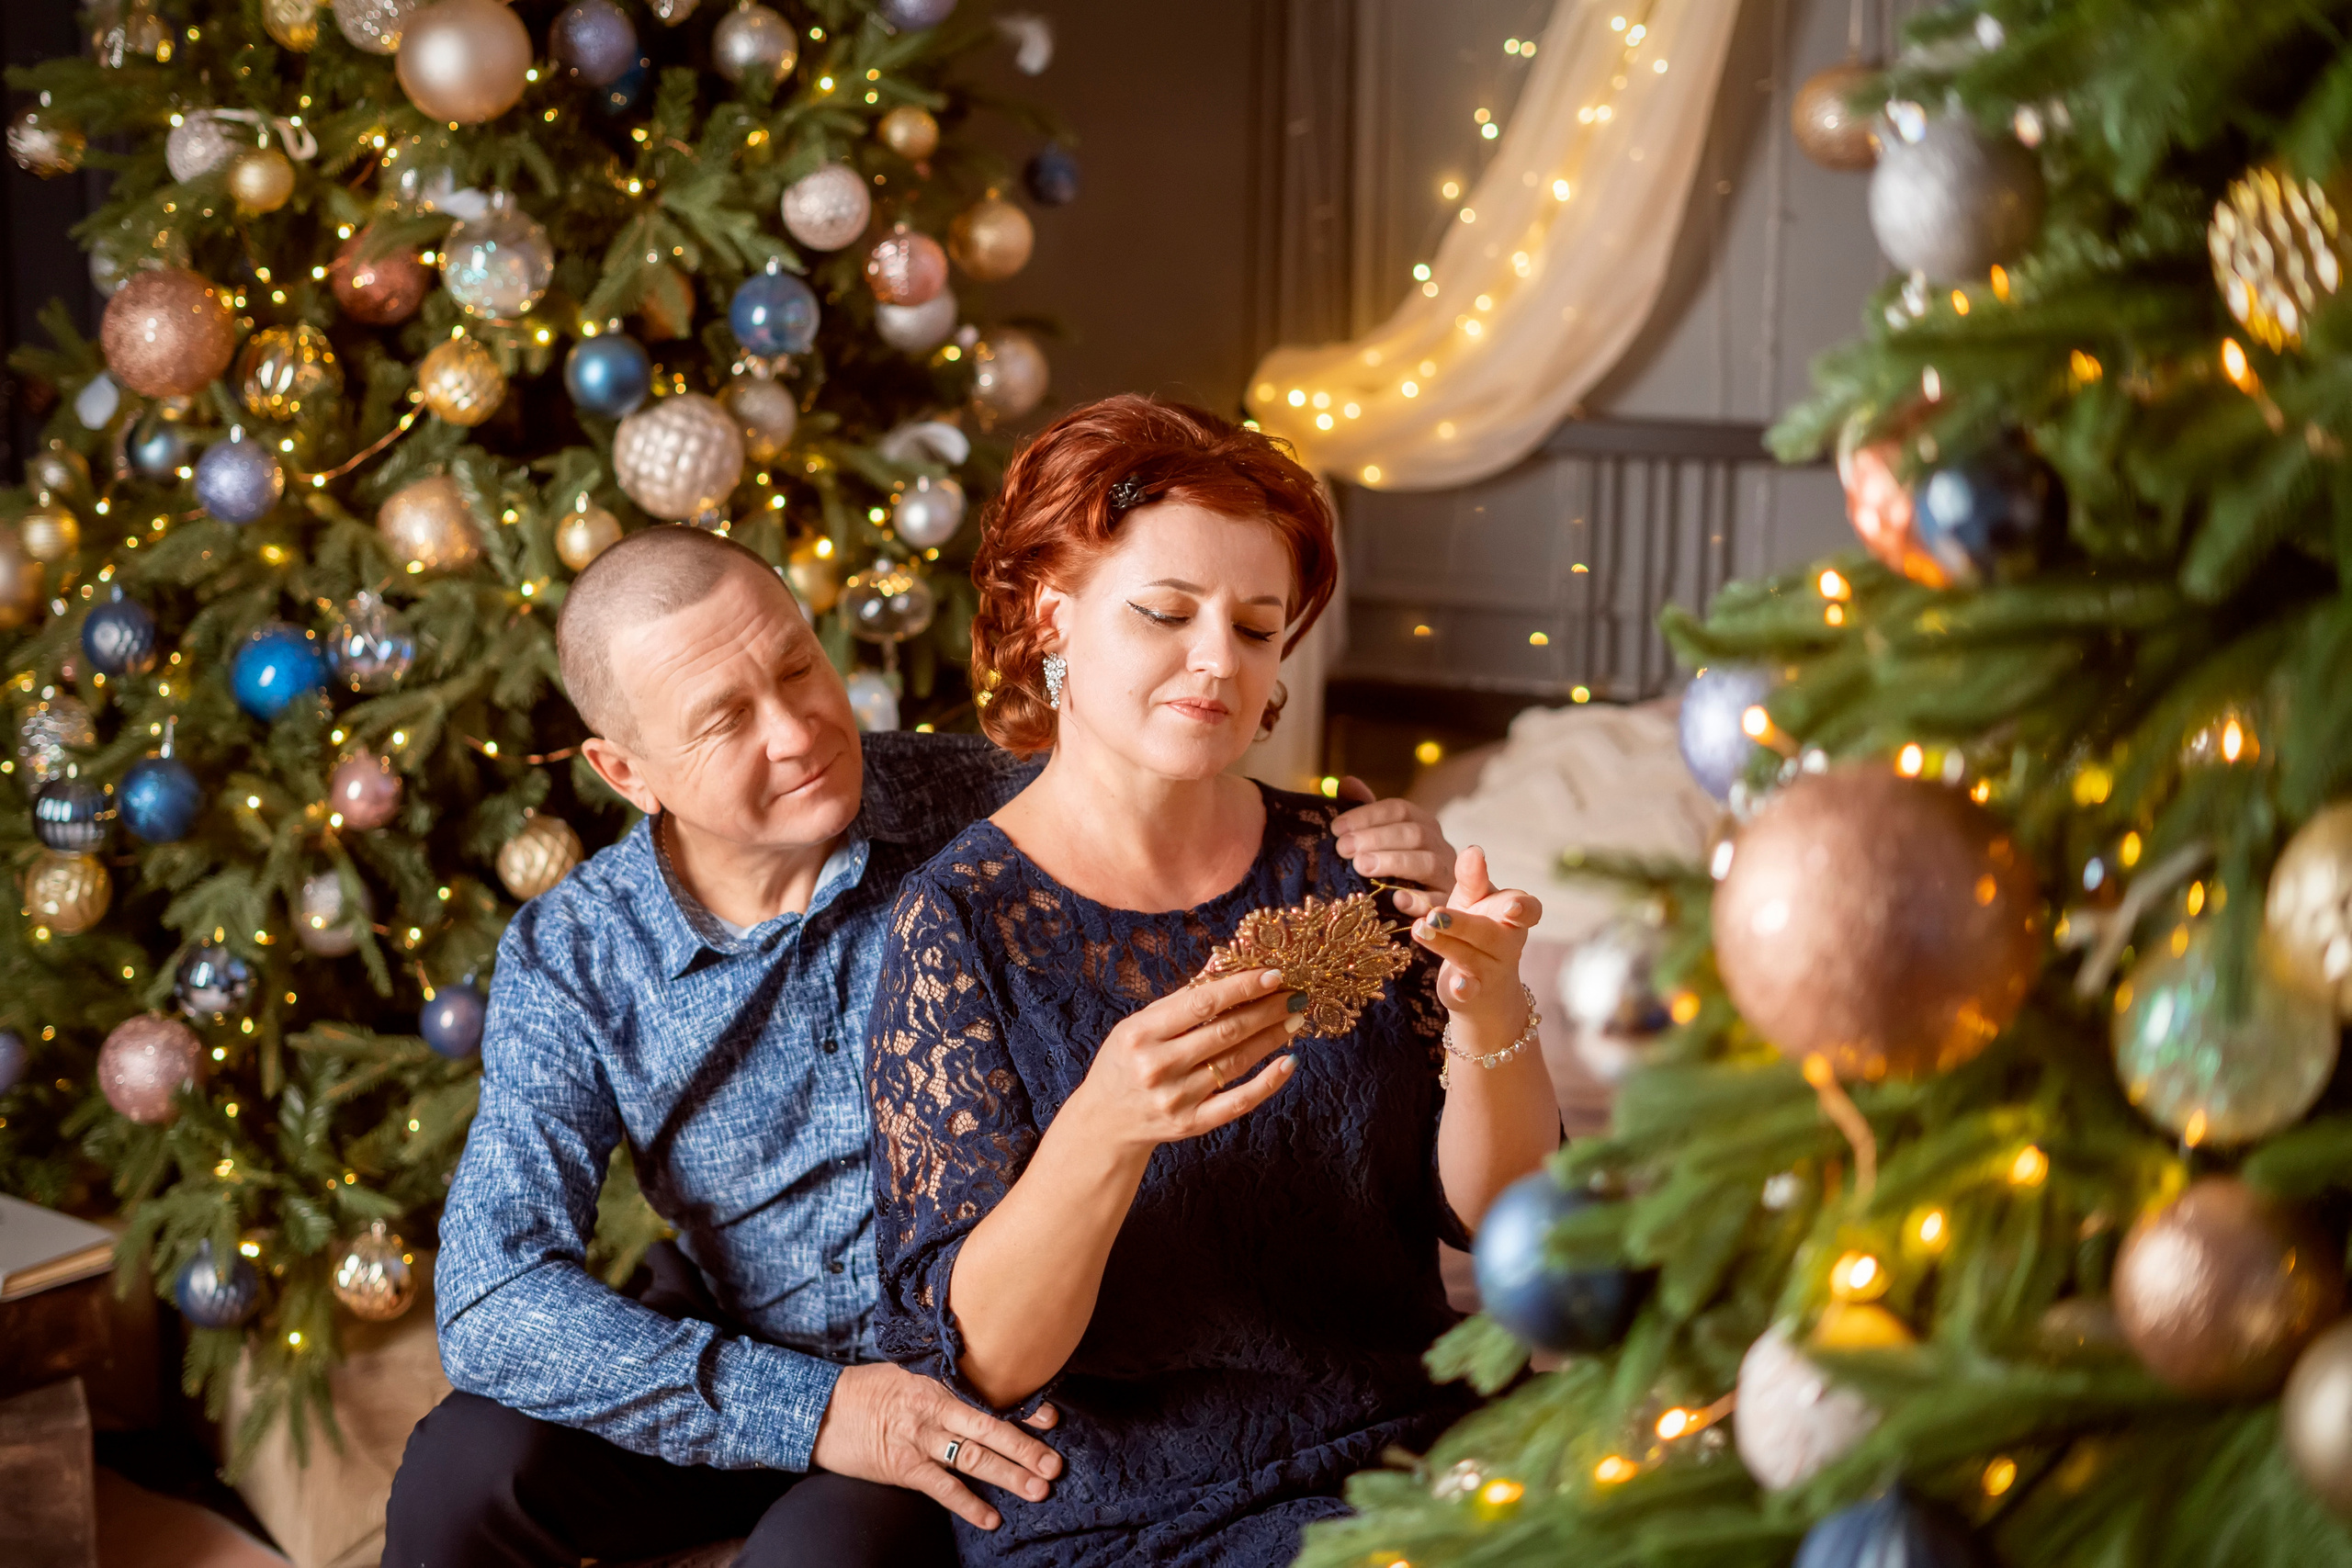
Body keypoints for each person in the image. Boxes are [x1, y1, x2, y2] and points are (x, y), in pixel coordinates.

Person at [383, 522, 1464, 1568]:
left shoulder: (1007, 800)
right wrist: (815, 1411)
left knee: (826, 1554)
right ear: (626, 772)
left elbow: (1204, 815)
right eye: (725, 720)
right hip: (744, 1339)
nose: (798, 732)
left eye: (799, 668)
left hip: (975, 1367)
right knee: (464, 1468)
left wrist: (1377, 844)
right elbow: (490, 1295)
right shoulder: (573, 952)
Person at [866, 396, 1562, 1568]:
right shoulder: (959, 924)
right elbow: (990, 1364)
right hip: (1132, 1508)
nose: (1216, 662)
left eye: (1255, 628)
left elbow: (1500, 1224)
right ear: (1054, 615)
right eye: (1165, 612)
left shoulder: (1347, 861)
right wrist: (1106, 1125)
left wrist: (1490, 1006)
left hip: (1410, 1448)